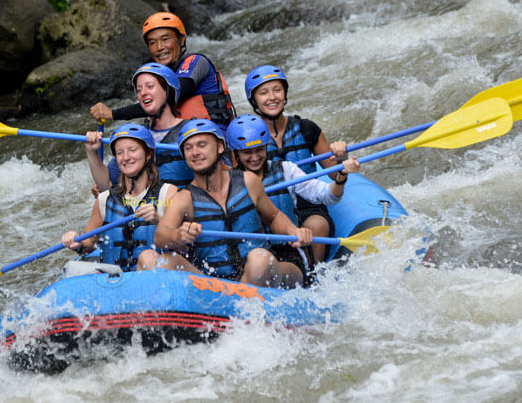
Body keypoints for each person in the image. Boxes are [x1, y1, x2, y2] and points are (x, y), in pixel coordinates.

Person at [138, 119, 312, 289]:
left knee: (260, 259)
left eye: (202, 145)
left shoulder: (248, 181)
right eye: (188, 148)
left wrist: (294, 231)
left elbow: (274, 217)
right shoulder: (184, 198)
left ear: (220, 147)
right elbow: (160, 236)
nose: (195, 152)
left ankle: (240, 303)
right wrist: (178, 236)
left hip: (264, 272)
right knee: (148, 258)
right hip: (216, 285)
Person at [225, 114, 360, 278]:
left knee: (264, 267)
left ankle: (310, 279)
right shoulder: (226, 182)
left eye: (259, 150)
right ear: (236, 153)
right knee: (255, 265)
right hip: (246, 259)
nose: (254, 157)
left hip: (287, 256)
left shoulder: (287, 170)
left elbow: (328, 196)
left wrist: (341, 176)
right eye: (247, 152)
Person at [244, 65, 348, 263]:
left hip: (309, 204)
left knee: (316, 225)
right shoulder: (248, 137)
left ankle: (314, 275)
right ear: (254, 100)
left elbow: (335, 173)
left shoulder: (306, 128)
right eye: (263, 92)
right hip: (272, 205)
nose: (272, 97)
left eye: (277, 90)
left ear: (285, 94)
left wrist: (341, 157)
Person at [62, 123, 178, 271]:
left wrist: (159, 220)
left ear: (148, 154)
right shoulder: (104, 199)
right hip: (115, 282)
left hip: (154, 278)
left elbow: (182, 240)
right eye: (120, 153)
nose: (126, 157)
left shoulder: (168, 193)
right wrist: (76, 242)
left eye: (132, 150)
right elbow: (89, 243)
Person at [90, 12, 235, 129]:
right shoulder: (157, 75)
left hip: (213, 138)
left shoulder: (196, 62)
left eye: (165, 39)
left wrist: (114, 114)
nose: (159, 47)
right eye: (152, 42)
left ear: (182, 40)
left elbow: (170, 95)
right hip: (181, 140)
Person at [92, 62, 193, 190]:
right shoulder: (135, 135)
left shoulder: (190, 131)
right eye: (139, 90)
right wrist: (93, 154)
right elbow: (106, 184)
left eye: (150, 86)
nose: (143, 93)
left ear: (168, 91)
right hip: (144, 207)